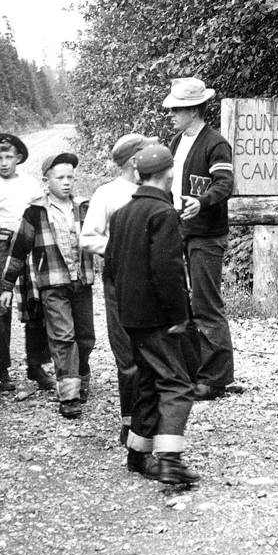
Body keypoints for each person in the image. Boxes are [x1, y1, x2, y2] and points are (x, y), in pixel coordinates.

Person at [104, 144, 199, 484]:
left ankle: (137, 455)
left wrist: (125, 309)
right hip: (158, 317)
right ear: (168, 174)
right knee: (177, 384)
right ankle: (170, 460)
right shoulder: (163, 214)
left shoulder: (122, 213)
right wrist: (179, 315)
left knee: (147, 383)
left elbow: (111, 266)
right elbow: (168, 271)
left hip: (130, 316)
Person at [0, 153, 95, 419]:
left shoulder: (83, 207)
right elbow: (18, 249)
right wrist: (7, 285)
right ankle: (69, 395)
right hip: (52, 285)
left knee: (86, 337)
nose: (66, 183)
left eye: (70, 177)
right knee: (63, 337)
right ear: (46, 180)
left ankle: (81, 379)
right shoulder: (36, 212)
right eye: (60, 177)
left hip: (82, 282)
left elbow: (99, 239)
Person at [80, 132, 158, 444]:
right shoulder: (107, 194)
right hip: (120, 280)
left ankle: (150, 422)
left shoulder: (156, 190)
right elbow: (88, 238)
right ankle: (129, 421)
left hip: (152, 281)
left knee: (152, 352)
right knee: (126, 353)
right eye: (145, 154)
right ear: (132, 161)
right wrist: (122, 247)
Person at [164, 77, 235, 401]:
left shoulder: (215, 143)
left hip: (207, 236)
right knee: (183, 304)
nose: (172, 115)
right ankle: (194, 371)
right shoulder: (177, 142)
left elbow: (224, 185)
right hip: (180, 231)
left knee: (207, 305)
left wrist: (202, 201)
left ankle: (216, 378)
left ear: (194, 110)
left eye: (177, 109)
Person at [0, 133, 48, 393]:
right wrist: (0, 225)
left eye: (8, 157)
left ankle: (36, 366)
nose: (4, 163)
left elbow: (41, 213)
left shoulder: (31, 185)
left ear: (18, 158)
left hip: (28, 248)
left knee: (34, 303)